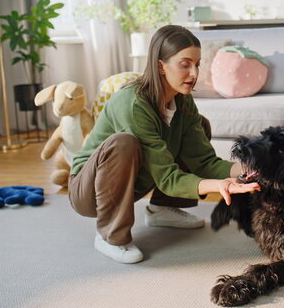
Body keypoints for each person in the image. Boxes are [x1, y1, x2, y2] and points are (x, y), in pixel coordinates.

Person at [69, 25, 259, 264]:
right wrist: (220, 186)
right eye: (185, 64)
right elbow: (167, 176)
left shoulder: (183, 101)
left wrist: (250, 169)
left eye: (197, 64)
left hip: (134, 180)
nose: (194, 73)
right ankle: (110, 236)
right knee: (123, 143)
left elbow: (204, 161)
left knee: (200, 125)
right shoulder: (132, 103)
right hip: (89, 192)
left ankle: (163, 208)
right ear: (161, 66)